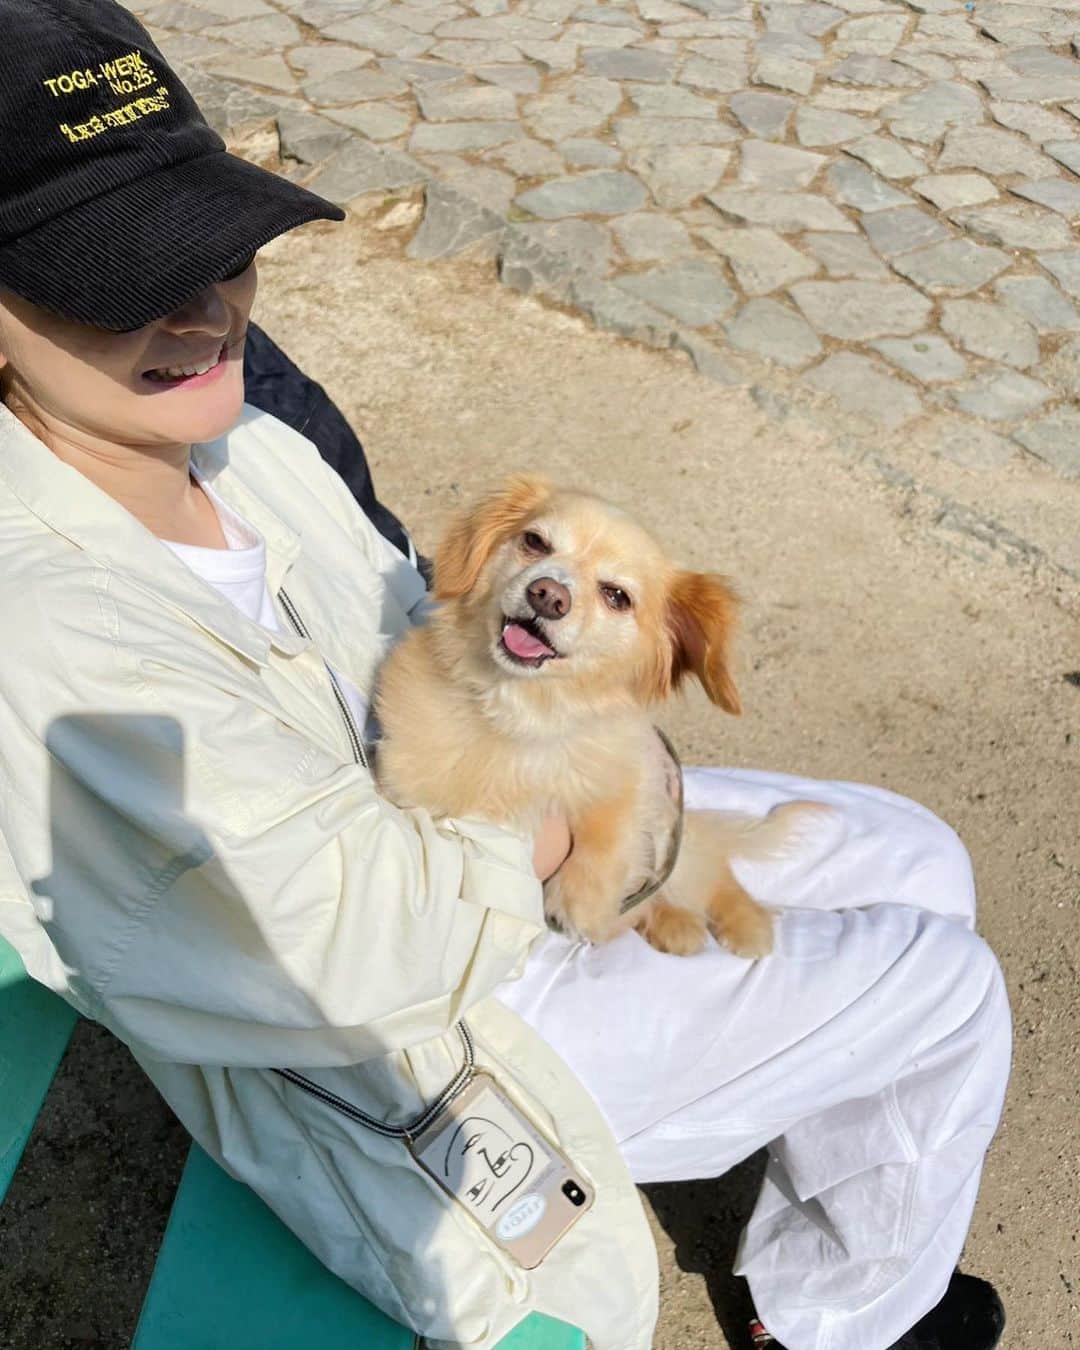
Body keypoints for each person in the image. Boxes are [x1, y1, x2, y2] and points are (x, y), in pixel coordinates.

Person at [0, 3, 1011, 1348]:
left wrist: (571, 741)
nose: (206, 305)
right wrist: (571, 814)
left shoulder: (233, 444)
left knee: (918, 857)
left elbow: (411, 611)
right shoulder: (51, 630)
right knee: (946, 988)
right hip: (411, 1045)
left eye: (220, 244)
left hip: (468, 828)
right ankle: (852, 1320)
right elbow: (343, 955)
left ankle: (812, 1283)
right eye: (124, 273)